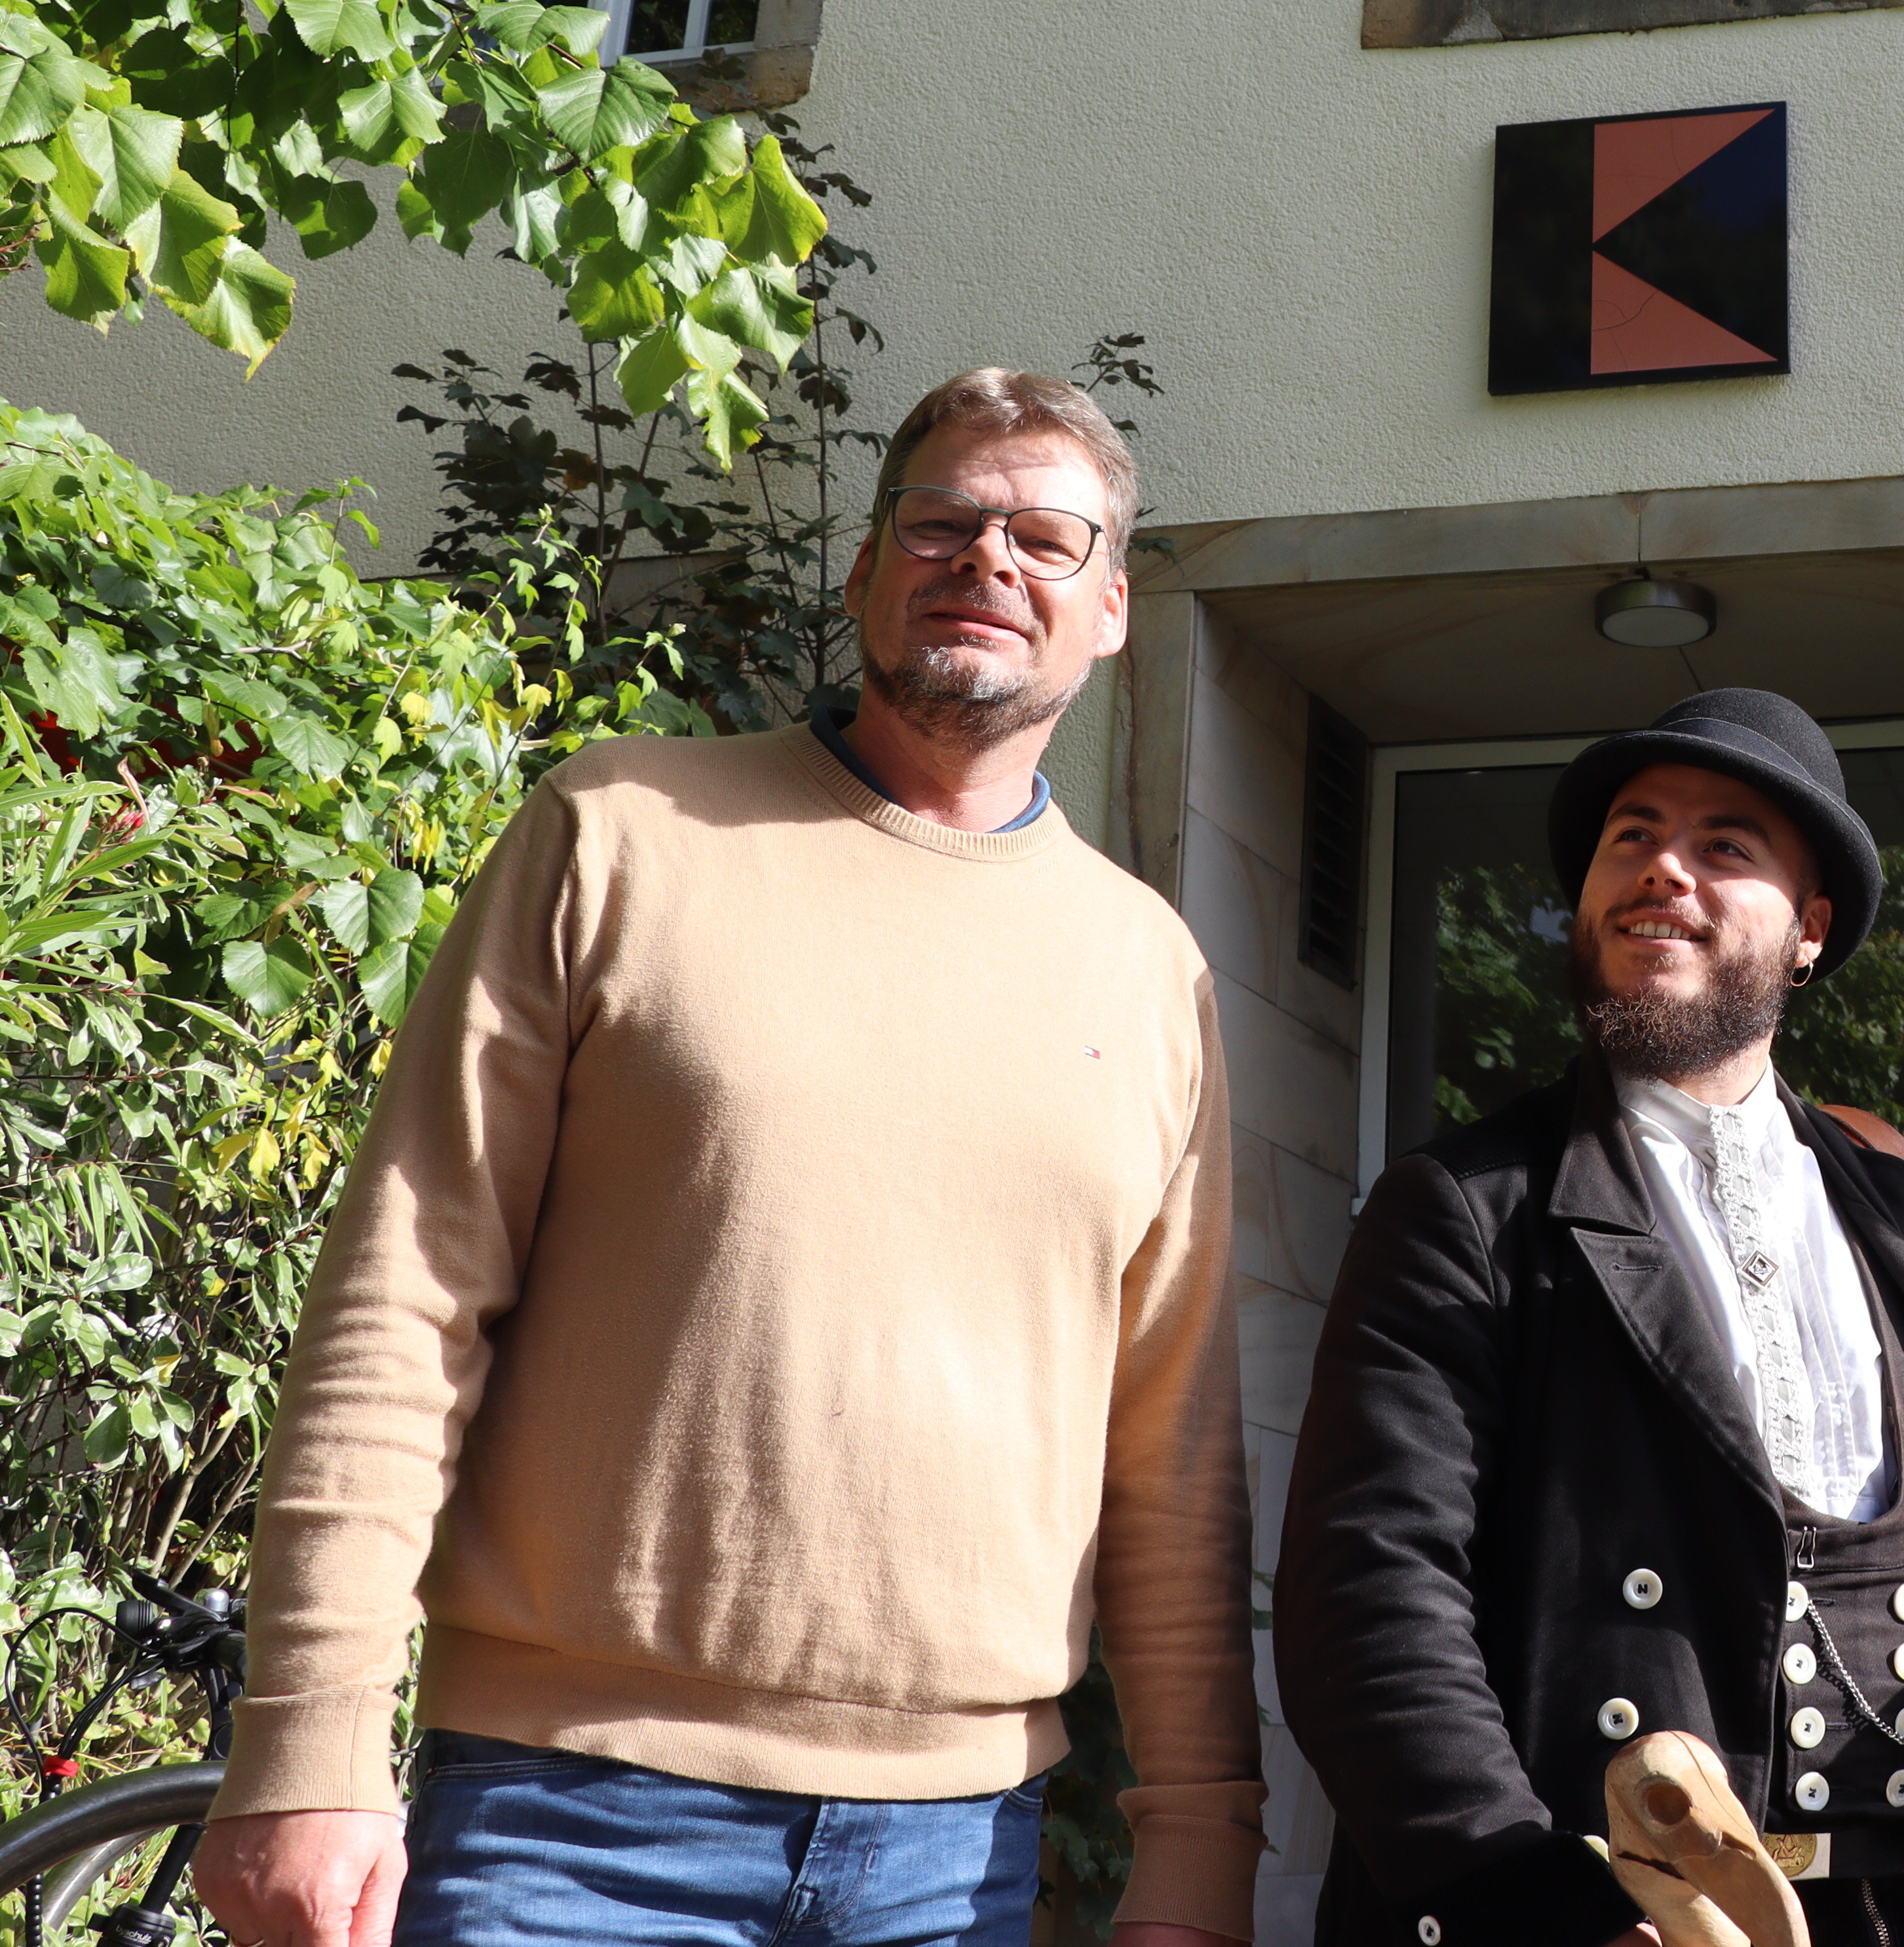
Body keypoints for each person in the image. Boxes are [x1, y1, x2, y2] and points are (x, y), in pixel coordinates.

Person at [197, 370, 1265, 1947]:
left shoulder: (1149, 969)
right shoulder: (618, 830)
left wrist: (1197, 1847)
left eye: (1047, 537)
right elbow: (401, 1298)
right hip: (570, 1816)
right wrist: (309, 1733)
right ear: (865, 568)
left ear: (1108, 609)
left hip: (960, 1858)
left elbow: (1169, 1456)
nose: (989, 561)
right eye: (945, 520)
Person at [1276, 689, 1904, 1947]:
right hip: (1622, 1906)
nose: (1660, 871)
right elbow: (1371, 1591)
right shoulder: (1465, 1207)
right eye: (1630, 838)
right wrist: (1528, 1899)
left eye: (1724, 846)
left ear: (1808, 931)